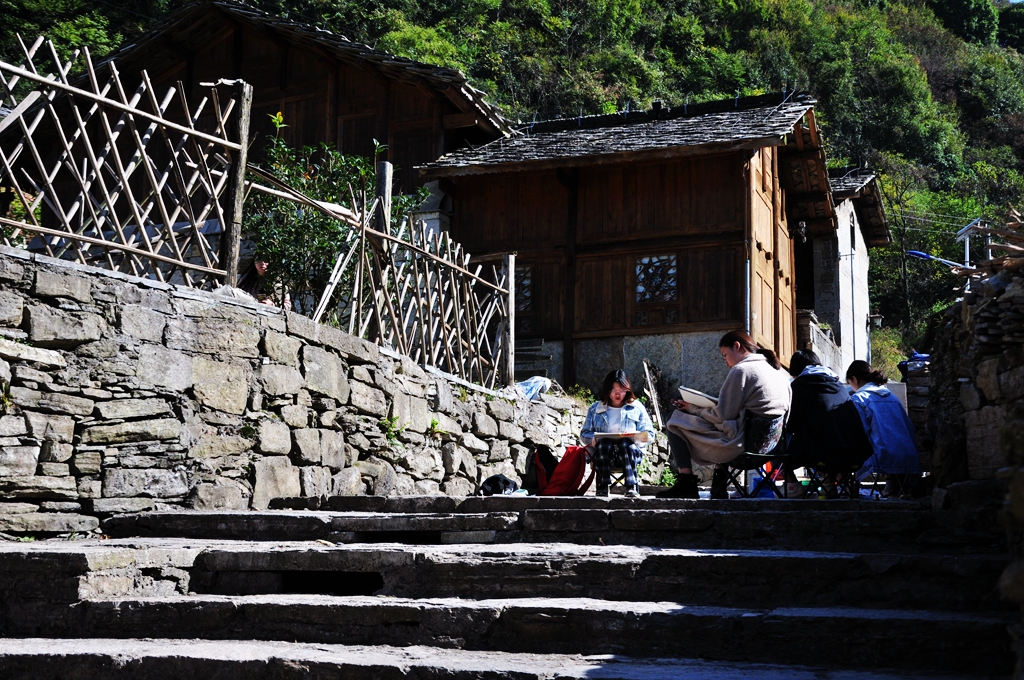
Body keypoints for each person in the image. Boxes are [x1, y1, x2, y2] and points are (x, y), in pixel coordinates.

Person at [658, 330, 791, 499]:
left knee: (674, 419)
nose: (726, 362)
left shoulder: (741, 371)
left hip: (740, 447)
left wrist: (692, 408)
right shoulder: (778, 374)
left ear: (737, 346)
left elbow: (722, 415)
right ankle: (718, 485)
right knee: (727, 424)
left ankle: (686, 481)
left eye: (725, 355)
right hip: (771, 449)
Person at [783, 350, 872, 497]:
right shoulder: (838, 385)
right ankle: (828, 485)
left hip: (822, 454)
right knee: (827, 434)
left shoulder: (800, 385)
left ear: (797, 371)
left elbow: (792, 424)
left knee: (778, 443)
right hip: (854, 453)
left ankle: (793, 486)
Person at [846, 360, 921, 497]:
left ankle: (842, 487)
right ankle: (892, 486)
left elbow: (858, 433)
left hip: (883, 456)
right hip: (908, 453)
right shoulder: (891, 397)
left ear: (854, 379)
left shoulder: (859, 398)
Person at [580, 370, 656, 498]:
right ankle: (602, 487)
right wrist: (592, 439)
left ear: (627, 390)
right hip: (604, 455)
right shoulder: (595, 408)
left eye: (621, 390)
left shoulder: (636, 407)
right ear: (607, 390)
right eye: (613, 390)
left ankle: (631, 486)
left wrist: (635, 435)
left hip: (630, 454)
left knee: (625, 443)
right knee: (604, 443)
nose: (617, 394)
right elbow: (584, 434)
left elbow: (650, 435)